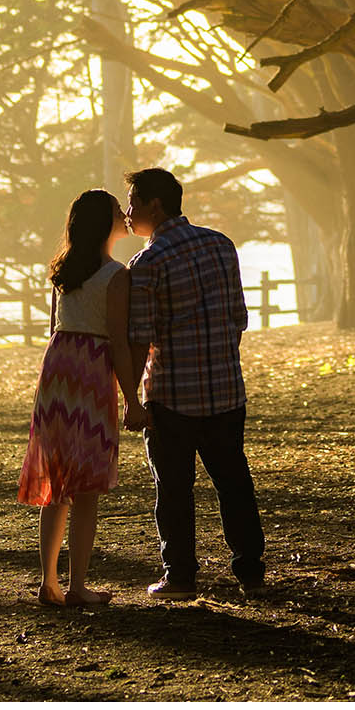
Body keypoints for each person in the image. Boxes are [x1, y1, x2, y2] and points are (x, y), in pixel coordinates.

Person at [125, 166, 266, 601]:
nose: (127, 214)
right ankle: (251, 572)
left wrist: (130, 397)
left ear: (154, 204)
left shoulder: (148, 262)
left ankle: (181, 576)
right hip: (226, 389)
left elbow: (140, 336)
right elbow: (238, 318)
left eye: (132, 203)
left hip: (173, 395)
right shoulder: (221, 245)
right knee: (234, 481)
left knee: (174, 489)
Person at [17, 189, 143, 607]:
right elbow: (120, 343)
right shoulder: (116, 275)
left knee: (57, 482)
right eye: (115, 212)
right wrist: (132, 399)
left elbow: (55, 325)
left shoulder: (63, 271)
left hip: (59, 367)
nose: (124, 217)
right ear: (103, 223)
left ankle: (48, 580)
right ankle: (78, 586)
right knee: (86, 487)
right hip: (91, 369)